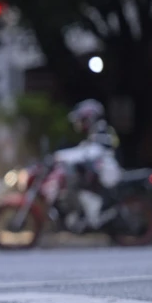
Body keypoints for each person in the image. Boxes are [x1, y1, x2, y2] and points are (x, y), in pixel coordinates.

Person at [54, 98, 121, 230]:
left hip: (108, 174)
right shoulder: (95, 132)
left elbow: (90, 152)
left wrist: (61, 156)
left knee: (83, 190)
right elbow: (84, 150)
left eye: (81, 119)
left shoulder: (102, 131)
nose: (79, 123)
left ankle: (93, 218)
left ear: (89, 118)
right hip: (98, 174)